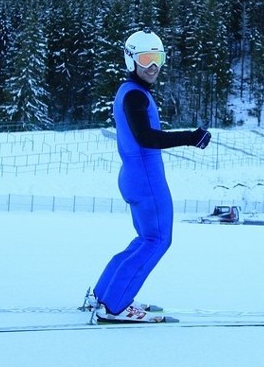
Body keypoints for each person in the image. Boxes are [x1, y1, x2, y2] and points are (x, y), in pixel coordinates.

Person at [85, 28, 211, 323]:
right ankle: (115, 305)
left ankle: (104, 295)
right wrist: (191, 137)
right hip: (146, 180)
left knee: (145, 238)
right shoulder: (135, 97)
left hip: (135, 176)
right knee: (157, 240)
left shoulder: (129, 92)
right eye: (145, 59)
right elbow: (146, 137)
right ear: (131, 61)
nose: (153, 66)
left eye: (158, 58)